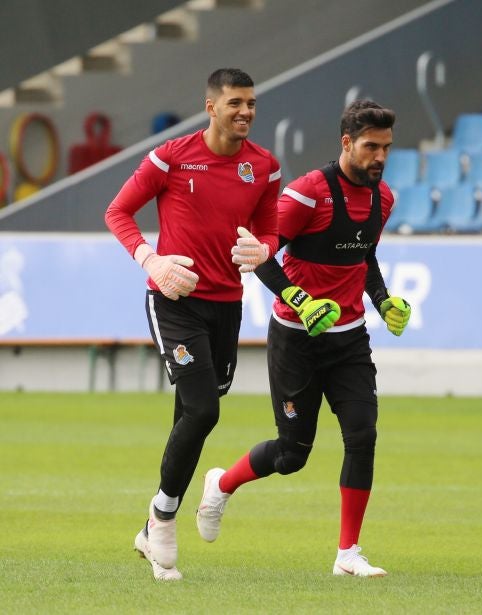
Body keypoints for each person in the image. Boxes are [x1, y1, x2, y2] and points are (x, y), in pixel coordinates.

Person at [195, 99, 411, 577]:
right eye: (371, 146)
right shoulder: (308, 193)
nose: (379, 157)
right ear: (346, 143)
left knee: (362, 435)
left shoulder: (384, 198)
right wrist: (300, 300)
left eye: (387, 148)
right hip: (297, 339)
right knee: (292, 454)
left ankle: (347, 555)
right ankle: (222, 484)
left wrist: (382, 299)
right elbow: (260, 255)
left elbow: (364, 255)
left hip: (350, 339)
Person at [105, 68, 281, 581]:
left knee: (194, 411)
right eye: (235, 103)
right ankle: (161, 520)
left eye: (251, 103)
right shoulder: (170, 157)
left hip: (227, 306)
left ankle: (152, 528)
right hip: (174, 298)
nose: (245, 112)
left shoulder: (264, 166)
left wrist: (267, 247)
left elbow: (269, 227)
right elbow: (119, 212)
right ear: (211, 107)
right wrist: (150, 260)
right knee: (204, 411)